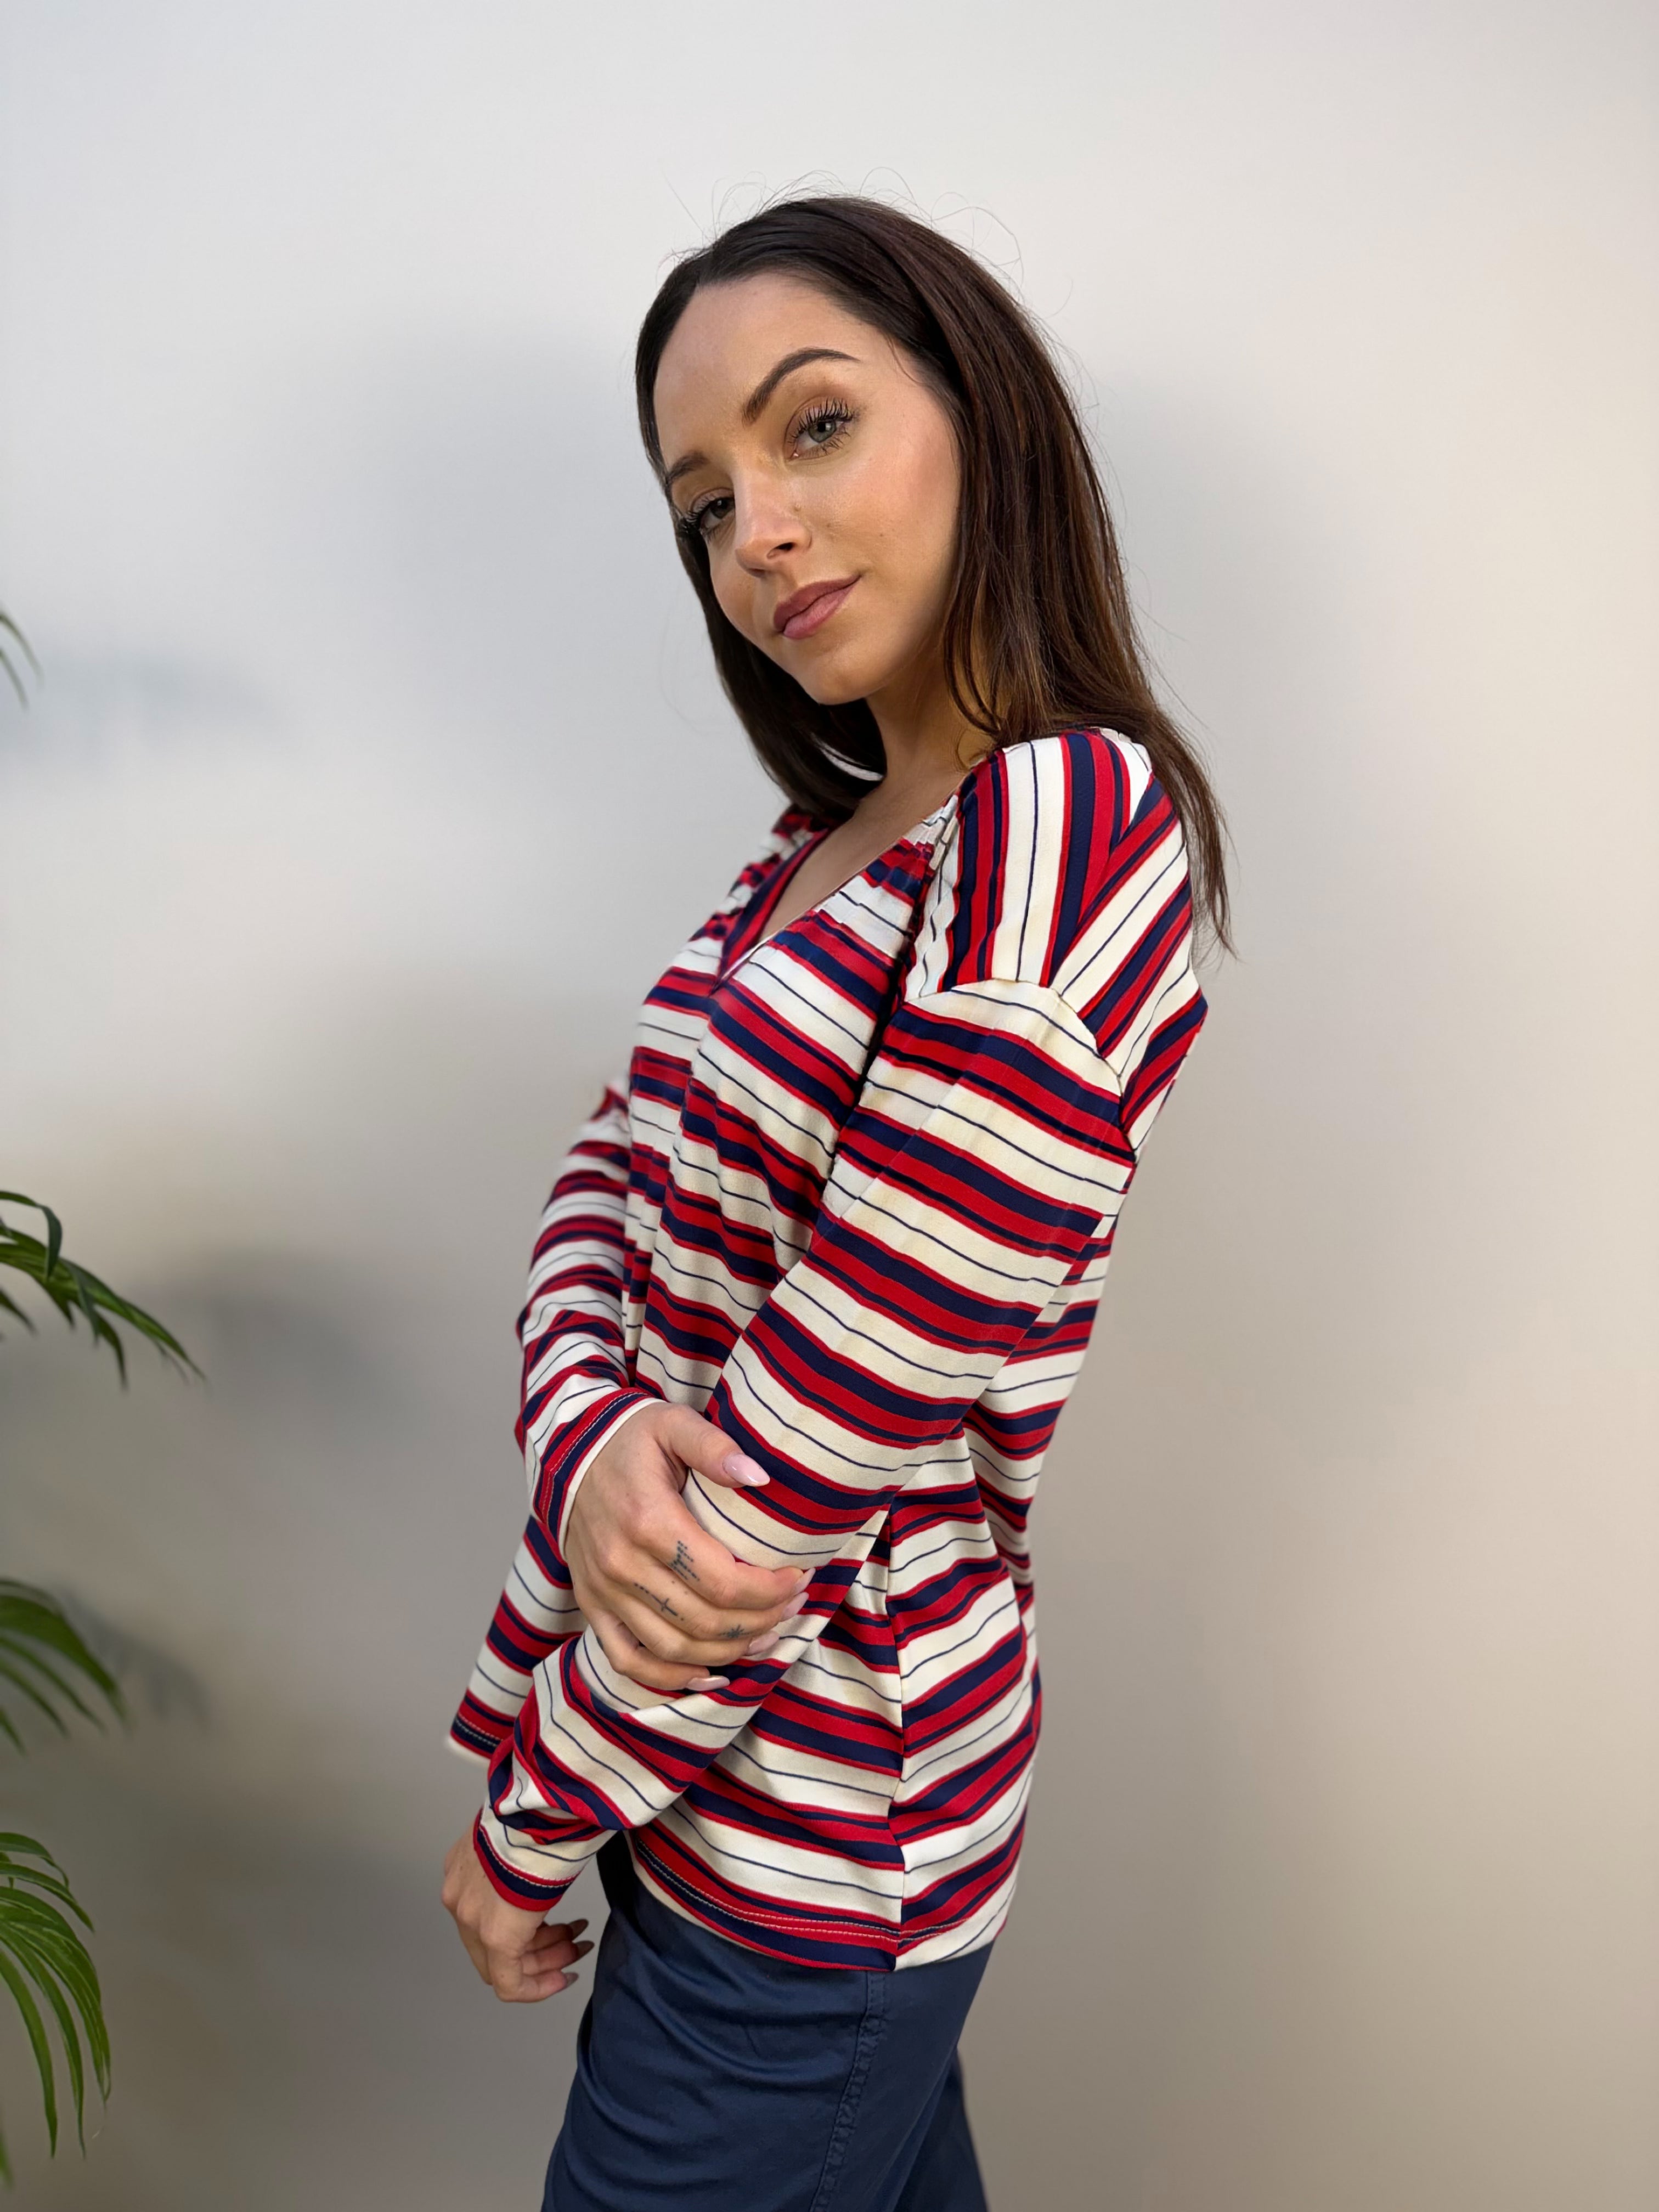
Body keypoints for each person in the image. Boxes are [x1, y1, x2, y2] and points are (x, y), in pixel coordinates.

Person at [440, 193, 1231, 2211]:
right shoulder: (814, 846)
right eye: (705, 505)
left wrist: (527, 1820)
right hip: (707, 1783)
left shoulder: (1065, 825)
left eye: (813, 429)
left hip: (819, 1830)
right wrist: (591, 1440)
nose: (758, 536)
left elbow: (796, 1470)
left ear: (981, 413)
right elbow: (600, 1190)